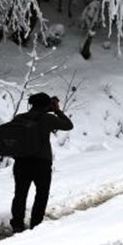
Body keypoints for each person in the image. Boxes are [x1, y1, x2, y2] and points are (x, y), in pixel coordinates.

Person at [9, 92, 74, 233]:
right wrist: (57, 110)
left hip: (21, 162)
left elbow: (11, 139)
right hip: (41, 163)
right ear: (46, 105)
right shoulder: (48, 118)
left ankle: (17, 224)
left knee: (20, 194)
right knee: (42, 193)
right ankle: (36, 224)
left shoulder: (19, 118)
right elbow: (68, 126)